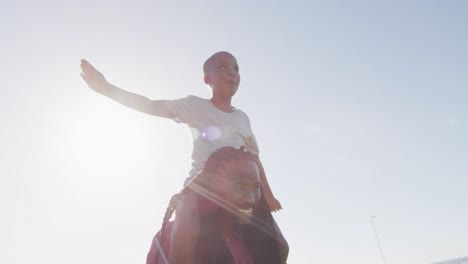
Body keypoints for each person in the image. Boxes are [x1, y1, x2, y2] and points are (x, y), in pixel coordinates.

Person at [80, 51, 281, 211]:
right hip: (204, 188)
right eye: (223, 67)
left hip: (242, 192)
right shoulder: (194, 106)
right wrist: (105, 88)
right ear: (207, 79)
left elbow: (254, 160)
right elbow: (150, 105)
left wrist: (269, 196)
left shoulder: (242, 119)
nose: (232, 72)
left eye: (236, 68)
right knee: (190, 231)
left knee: (280, 245)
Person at [146, 147, 289, 264]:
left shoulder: (257, 244)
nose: (251, 199)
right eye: (241, 187)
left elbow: (282, 249)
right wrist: (184, 219)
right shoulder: (168, 236)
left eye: (256, 187)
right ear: (214, 186)